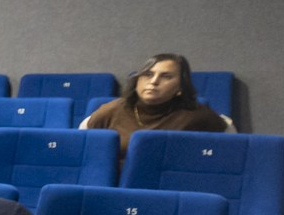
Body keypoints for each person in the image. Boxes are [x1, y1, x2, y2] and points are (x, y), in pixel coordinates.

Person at [82, 52, 229, 158]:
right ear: (137, 81)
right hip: (119, 185)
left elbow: (229, 147)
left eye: (166, 76)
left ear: (180, 87)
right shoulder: (113, 110)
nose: (153, 81)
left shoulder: (197, 114)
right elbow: (83, 149)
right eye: (148, 75)